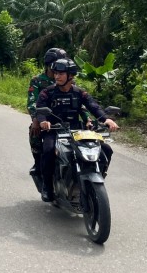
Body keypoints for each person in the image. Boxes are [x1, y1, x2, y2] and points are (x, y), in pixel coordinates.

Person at [36, 58, 119, 202]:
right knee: (48, 150)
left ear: (70, 75)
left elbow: (93, 106)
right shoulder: (47, 92)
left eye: (61, 73)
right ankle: (47, 187)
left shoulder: (80, 93)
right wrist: (43, 121)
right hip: (54, 130)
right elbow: (40, 108)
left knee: (106, 149)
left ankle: (96, 175)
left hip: (77, 131)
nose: (57, 76)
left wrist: (106, 119)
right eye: (55, 73)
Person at [27, 47, 68, 178]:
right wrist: (36, 119)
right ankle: (38, 163)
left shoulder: (66, 79)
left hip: (66, 117)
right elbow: (32, 102)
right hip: (45, 118)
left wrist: (88, 118)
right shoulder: (37, 80)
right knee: (34, 133)